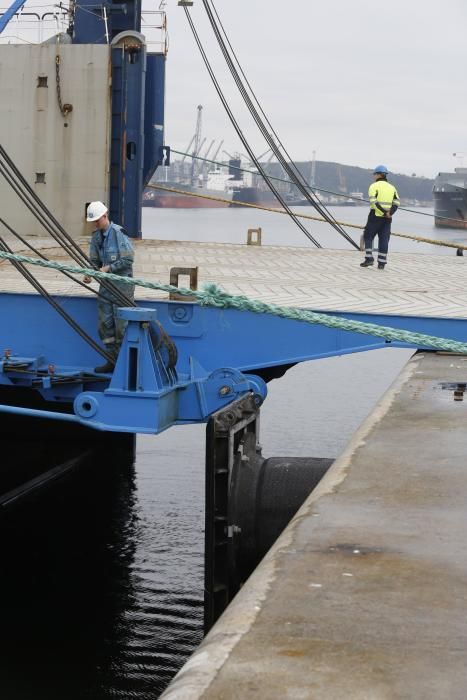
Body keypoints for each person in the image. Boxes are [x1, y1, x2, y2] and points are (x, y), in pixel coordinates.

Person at [83, 201, 135, 373]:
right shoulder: (96, 237)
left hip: (122, 286)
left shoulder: (119, 234)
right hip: (106, 286)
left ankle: (125, 364)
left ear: (105, 216)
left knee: (122, 326)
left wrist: (107, 268)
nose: (96, 224)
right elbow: (94, 261)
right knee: (105, 325)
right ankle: (112, 360)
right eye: (94, 222)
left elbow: (128, 260)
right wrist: (89, 273)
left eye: (97, 220)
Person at [360, 165, 400, 270]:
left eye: (374, 174)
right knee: (384, 239)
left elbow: (373, 202)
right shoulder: (392, 188)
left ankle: (369, 259)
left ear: (378, 174)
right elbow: (397, 202)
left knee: (368, 236)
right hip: (388, 218)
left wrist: (382, 212)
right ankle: (381, 263)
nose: (373, 176)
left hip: (375, 216)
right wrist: (390, 212)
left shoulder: (374, 186)